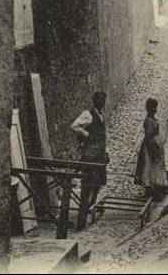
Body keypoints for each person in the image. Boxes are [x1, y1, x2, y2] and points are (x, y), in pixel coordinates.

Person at [71, 90, 108, 231]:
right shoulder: (88, 114)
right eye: (99, 99)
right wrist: (87, 135)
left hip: (99, 156)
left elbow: (105, 136)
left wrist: (106, 152)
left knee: (98, 183)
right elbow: (74, 126)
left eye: (103, 99)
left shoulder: (102, 115)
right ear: (94, 101)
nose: (101, 102)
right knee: (87, 187)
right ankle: (81, 221)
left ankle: (90, 208)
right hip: (89, 156)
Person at [135, 98, 168, 200]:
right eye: (153, 108)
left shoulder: (152, 119)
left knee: (154, 167)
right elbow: (149, 135)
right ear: (149, 109)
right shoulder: (149, 120)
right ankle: (150, 190)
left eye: (155, 107)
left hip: (155, 144)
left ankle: (154, 190)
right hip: (150, 146)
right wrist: (152, 148)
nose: (155, 110)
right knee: (149, 166)